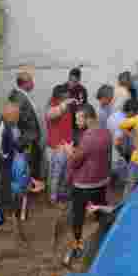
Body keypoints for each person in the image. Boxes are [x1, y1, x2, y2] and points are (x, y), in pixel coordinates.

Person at [61, 104, 112, 265]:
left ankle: (77, 246)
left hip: (84, 184)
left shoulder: (88, 138)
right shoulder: (106, 133)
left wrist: (69, 151)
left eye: (78, 118)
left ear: (89, 118)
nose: (76, 122)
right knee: (100, 211)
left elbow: (75, 162)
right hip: (101, 181)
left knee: (78, 216)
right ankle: (106, 240)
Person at [0, 101, 28, 242]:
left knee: (12, 193)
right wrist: (10, 161)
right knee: (8, 193)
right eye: (16, 115)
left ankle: (12, 221)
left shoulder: (9, 124)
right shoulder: (2, 128)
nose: (18, 117)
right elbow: (0, 150)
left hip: (10, 162)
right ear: (9, 115)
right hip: (5, 164)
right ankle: (3, 220)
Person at [9, 71, 45, 193]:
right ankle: (27, 192)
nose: (33, 83)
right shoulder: (19, 98)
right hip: (27, 141)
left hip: (30, 139)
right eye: (31, 81)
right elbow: (16, 121)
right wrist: (24, 141)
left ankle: (32, 188)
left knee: (34, 164)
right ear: (25, 83)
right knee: (28, 167)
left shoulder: (21, 95)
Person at [45, 84, 76, 207]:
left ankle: (61, 196)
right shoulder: (52, 107)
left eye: (68, 97)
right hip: (56, 148)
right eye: (65, 97)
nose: (67, 99)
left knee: (64, 174)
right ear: (58, 98)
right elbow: (51, 114)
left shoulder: (65, 106)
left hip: (65, 146)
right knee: (55, 175)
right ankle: (53, 199)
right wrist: (64, 105)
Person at [65, 68, 89, 142]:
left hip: (77, 127)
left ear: (79, 80)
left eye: (74, 81)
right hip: (65, 125)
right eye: (70, 80)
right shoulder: (62, 89)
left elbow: (84, 108)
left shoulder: (82, 91)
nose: (71, 83)